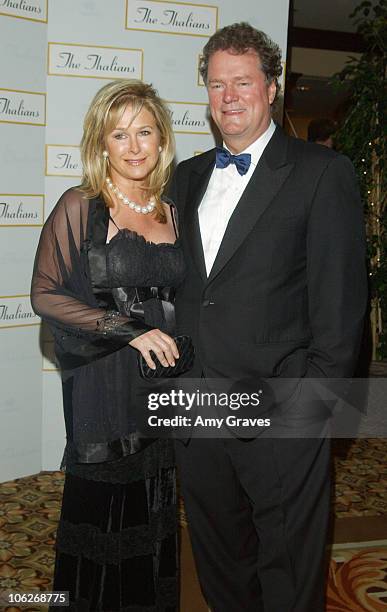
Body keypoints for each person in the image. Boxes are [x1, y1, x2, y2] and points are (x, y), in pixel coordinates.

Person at [168, 22, 367, 611]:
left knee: (287, 566)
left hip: (280, 411)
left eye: (243, 82)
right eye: (216, 84)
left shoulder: (320, 174)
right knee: (219, 558)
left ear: (272, 87)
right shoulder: (186, 176)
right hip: (196, 406)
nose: (228, 96)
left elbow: (340, 313)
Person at [31, 79, 185, 611]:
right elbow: (44, 294)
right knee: (101, 506)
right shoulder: (81, 205)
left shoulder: (174, 212)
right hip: (102, 381)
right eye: (119, 134)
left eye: (145, 132)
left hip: (160, 386)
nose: (134, 146)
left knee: (154, 505)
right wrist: (131, 329)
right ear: (101, 143)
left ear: (163, 140)